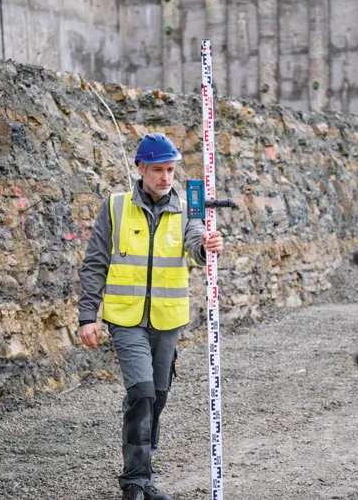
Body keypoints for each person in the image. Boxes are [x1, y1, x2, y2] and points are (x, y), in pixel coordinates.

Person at [77, 133, 224, 500]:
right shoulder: (114, 207)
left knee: (157, 398)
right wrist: (87, 316)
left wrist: (208, 247)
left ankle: (144, 473)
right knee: (141, 393)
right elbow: (95, 263)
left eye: (170, 170)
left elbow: (196, 243)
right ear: (140, 168)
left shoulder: (187, 210)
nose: (165, 177)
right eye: (157, 169)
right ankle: (135, 480)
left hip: (167, 321)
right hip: (125, 320)